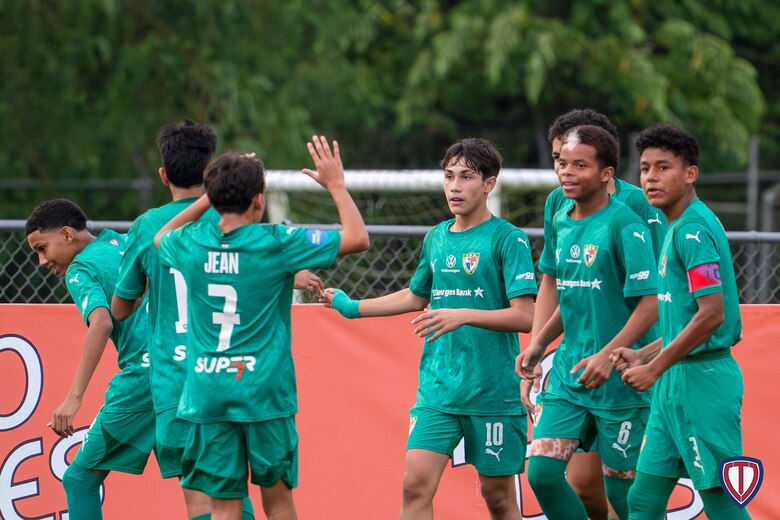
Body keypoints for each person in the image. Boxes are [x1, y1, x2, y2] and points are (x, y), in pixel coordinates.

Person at [110, 119, 321, 519]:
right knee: (258, 495)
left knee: (203, 500)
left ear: (163, 174)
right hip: (240, 378)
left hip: (178, 383)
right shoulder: (232, 214)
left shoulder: (150, 228)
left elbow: (122, 308)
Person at [153, 136, 369, 520]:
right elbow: (357, 238)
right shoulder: (275, 242)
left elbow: (160, 237)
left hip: (207, 394)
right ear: (259, 200)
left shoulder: (192, 242)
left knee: (223, 507)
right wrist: (336, 184)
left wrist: (210, 196)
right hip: (264, 394)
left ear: (216, 199)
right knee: (278, 500)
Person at [322, 137, 537, 520]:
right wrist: (351, 307)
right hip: (437, 391)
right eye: (449, 176)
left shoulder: (508, 239)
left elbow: (525, 315)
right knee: (414, 484)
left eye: (467, 177)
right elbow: (416, 295)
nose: (455, 186)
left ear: (489, 184)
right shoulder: (436, 237)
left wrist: (463, 314)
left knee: (499, 498)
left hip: (492, 393)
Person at [521, 108, 667, 520]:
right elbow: (566, 287)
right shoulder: (561, 212)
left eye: (577, 164)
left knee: (621, 495)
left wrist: (631, 353)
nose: (564, 172)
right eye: (559, 161)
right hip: (572, 370)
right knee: (548, 476)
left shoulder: (633, 214)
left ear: (605, 171)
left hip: (624, 370)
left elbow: (656, 294)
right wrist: (537, 345)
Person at [610, 124, 750, 519]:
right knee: (644, 501)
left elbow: (712, 314)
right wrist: (644, 354)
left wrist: (654, 367)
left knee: (723, 502)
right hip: (674, 382)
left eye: (663, 168)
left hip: (701, 383)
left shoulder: (692, 229)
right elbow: (686, 316)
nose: (651, 178)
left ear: (690, 174)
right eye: (645, 168)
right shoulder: (676, 226)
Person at [26, 199, 154, 519]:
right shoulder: (121, 241)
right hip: (184, 370)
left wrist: (73, 399)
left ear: (67, 235)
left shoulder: (81, 268)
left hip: (143, 380)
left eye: (42, 248)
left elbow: (102, 322)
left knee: (79, 479)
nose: (42, 261)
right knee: (209, 484)